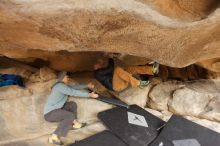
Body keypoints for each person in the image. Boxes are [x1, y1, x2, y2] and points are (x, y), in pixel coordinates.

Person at [44, 71, 98, 145]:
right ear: (62, 78)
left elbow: (75, 87)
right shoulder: (60, 86)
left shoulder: (62, 85)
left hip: (57, 109)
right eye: (67, 76)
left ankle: (75, 124)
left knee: (72, 104)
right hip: (50, 114)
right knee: (70, 116)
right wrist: (89, 95)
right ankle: (54, 137)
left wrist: (87, 85)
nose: (68, 78)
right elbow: (73, 92)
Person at [94, 54, 159, 92]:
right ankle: (138, 83)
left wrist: (108, 58)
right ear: (95, 67)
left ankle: (152, 70)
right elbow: (110, 68)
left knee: (131, 68)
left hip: (121, 82)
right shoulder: (97, 73)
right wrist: (110, 57)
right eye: (97, 64)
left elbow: (108, 69)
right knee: (118, 70)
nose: (99, 64)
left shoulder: (101, 71)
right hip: (116, 86)